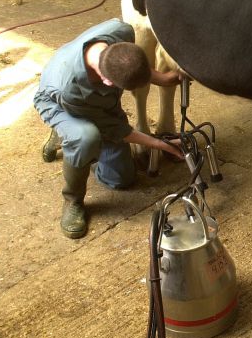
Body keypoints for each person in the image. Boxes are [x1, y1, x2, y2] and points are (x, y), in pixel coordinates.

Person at [34, 18, 183, 239]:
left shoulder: (121, 32)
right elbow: (116, 128)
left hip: (93, 101)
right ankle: (73, 200)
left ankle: (76, 136)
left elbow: (131, 62)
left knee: (121, 180)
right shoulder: (72, 90)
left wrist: (164, 77)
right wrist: (160, 143)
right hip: (58, 102)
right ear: (107, 82)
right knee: (86, 137)